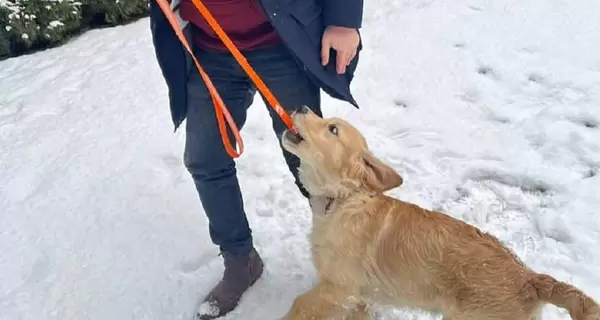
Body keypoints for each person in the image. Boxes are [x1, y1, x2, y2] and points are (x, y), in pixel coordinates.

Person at [148, 0, 364, 318]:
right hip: (211, 47)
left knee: (313, 162)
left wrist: (344, 21)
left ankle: (350, 265)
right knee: (205, 159)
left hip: (279, 41)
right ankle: (240, 260)